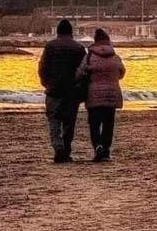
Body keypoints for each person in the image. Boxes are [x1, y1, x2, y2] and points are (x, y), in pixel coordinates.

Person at [38, 18, 86, 163]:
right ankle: (66, 149)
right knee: (69, 122)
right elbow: (84, 70)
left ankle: (58, 147)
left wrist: (45, 83)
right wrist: (80, 88)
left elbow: (43, 67)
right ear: (71, 32)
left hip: (53, 89)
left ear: (57, 32)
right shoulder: (78, 48)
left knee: (54, 120)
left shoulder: (50, 46)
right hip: (72, 91)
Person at [77, 28, 125, 163]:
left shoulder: (89, 57)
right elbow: (121, 73)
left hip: (93, 95)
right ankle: (106, 150)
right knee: (109, 123)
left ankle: (97, 146)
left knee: (94, 123)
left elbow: (79, 74)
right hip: (112, 94)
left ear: (95, 41)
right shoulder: (115, 57)